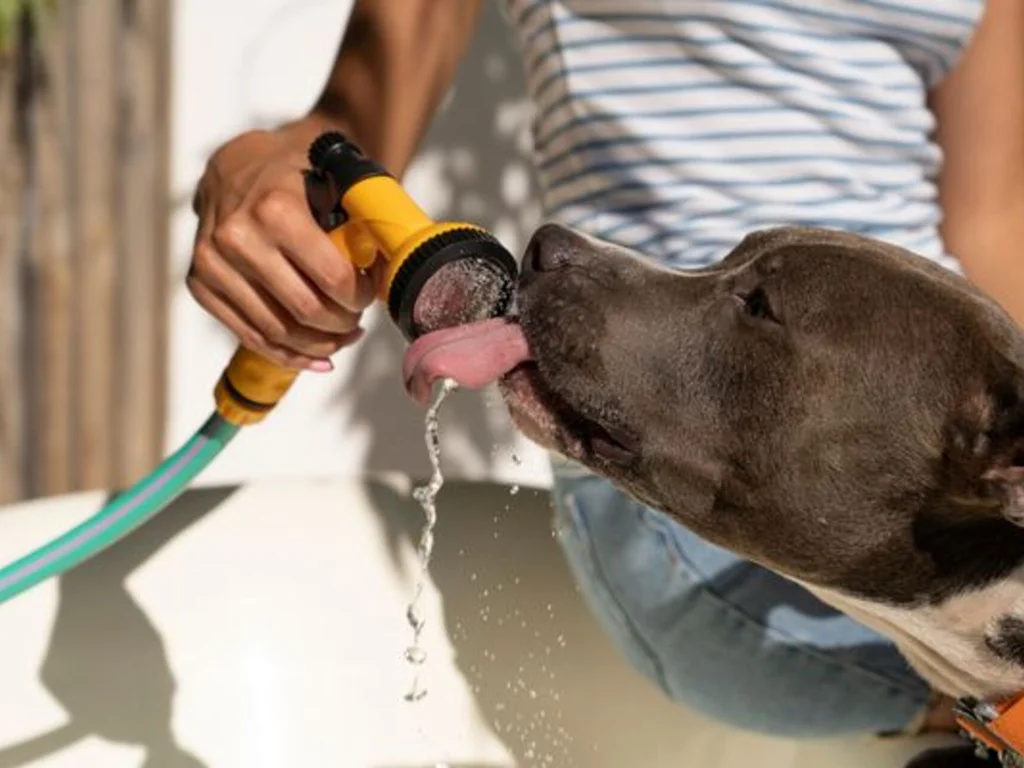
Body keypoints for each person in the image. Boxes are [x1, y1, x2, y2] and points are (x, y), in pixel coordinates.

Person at [187, 0, 1024, 740]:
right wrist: (275, 164)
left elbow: (989, 232)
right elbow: (356, 101)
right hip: (695, 461)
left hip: (929, 478)